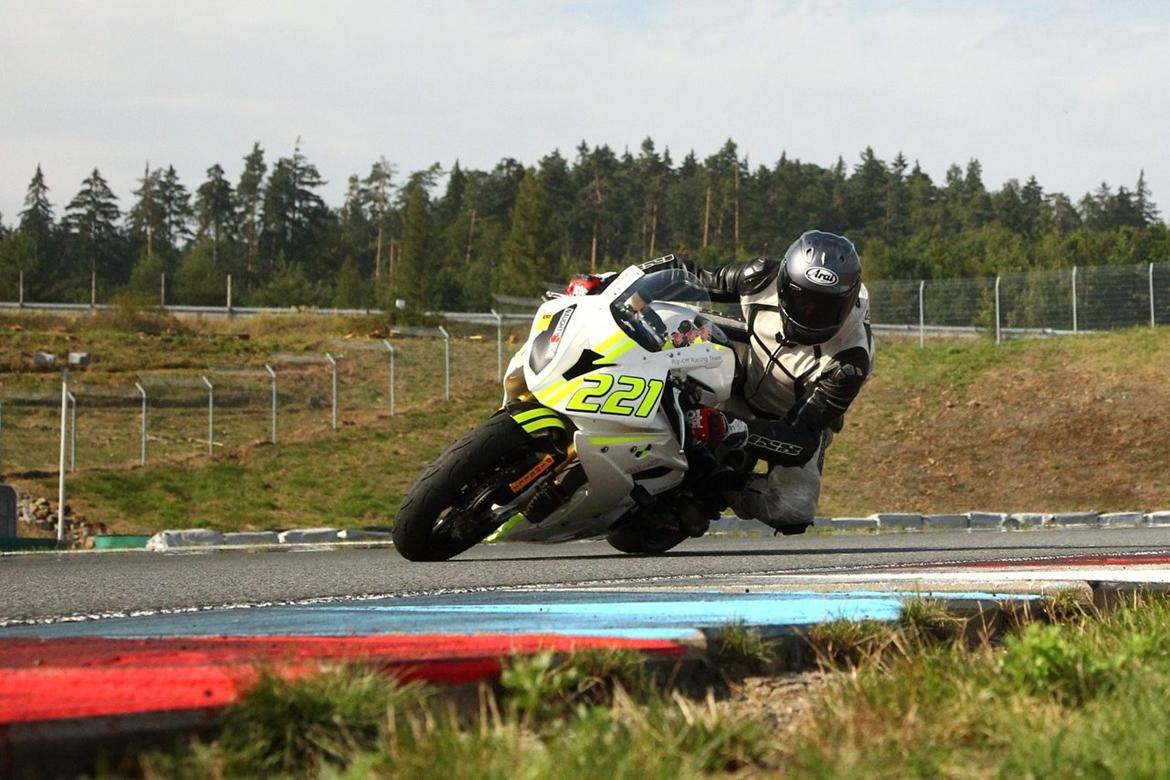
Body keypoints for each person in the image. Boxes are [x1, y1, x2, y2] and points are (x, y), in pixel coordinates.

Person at [648, 230, 875, 535]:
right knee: (675, 327)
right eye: (803, 301)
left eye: (827, 308)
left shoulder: (851, 360)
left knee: (793, 510)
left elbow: (801, 441)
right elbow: (690, 276)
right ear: (783, 286)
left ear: (848, 301)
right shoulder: (759, 277)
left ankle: (719, 483)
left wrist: (730, 428)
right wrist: (612, 282)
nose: (813, 315)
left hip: (792, 420)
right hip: (737, 377)